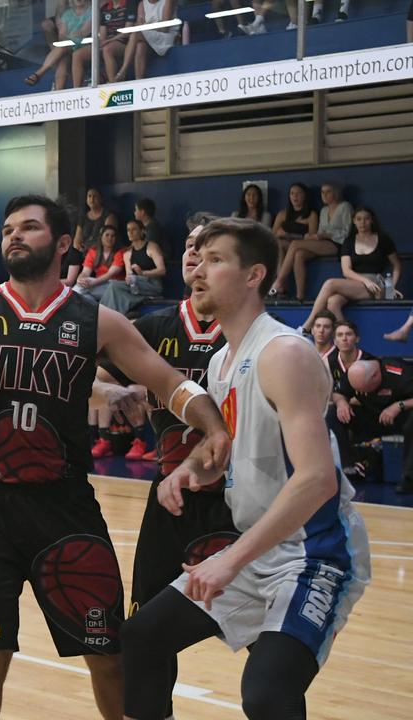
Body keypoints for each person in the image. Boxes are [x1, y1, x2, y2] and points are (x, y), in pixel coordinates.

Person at [0, 194, 231, 720]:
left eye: (30, 227)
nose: (14, 235)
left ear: (63, 243)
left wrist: (213, 425)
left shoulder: (98, 320)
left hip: (65, 507)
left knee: (109, 655)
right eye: (8, 228)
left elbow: (168, 381)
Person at [121, 217, 371, 720]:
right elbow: (231, 448)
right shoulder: (223, 362)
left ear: (255, 275)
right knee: (142, 638)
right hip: (257, 549)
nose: (199, 270)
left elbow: (317, 479)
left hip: (313, 556)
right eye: (199, 258)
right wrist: (190, 470)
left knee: (267, 695)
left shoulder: (283, 353)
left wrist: (229, 559)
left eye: (217, 261)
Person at [98, 220, 237, 641]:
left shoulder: (252, 336)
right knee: (143, 630)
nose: (195, 255)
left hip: (237, 499)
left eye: (210, 250)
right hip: (169, 497)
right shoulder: (152, 329)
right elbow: (89, 376)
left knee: (257, 639)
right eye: (191, 246)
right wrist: (112, 391)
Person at [300, 207, 401, 330]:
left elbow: (397, 265)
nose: (362, 222)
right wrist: (364, 281)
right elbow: (346, 271)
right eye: (359, 219)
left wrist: (392, 287)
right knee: (333, 302)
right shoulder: (349, 241)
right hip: (355, 282)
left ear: (372, 221)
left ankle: (307, 326)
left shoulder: (383, 239)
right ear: (354, 221)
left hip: (375, 283)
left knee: (330, 283)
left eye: (366, 219)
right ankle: (346, 334)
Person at [347, 358, 413, 493]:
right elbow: (340, 393)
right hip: (375, 413)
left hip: (403, 414)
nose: (362, 392)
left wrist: (399, 406)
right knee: (334, 413)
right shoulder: (356, 372)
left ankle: (409, 478)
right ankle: (347, 468)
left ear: (376, 376)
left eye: (364, 388)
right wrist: (341, 402)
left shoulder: (401, 374)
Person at [325, 321, 374, 480]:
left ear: (357, 339)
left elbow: (371, 396)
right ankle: (346, 466)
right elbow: (328, 392)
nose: (344, 339)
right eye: (340, 335)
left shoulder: (369, 361)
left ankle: (356, 462)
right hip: (342, 411)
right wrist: (341, 401)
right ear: (335, 341)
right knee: (330, 413)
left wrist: (344, 400)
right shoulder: (329, 362)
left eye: (348, 334)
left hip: (369, 411)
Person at [100, 218, 166, 315]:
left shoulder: (151, 247)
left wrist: (143, 273)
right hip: (135, 286)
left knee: (115, 286)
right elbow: (129, 275)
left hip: (152, 284)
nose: (130, 232)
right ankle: (105, 315)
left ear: (142, 231)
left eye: (134, 229)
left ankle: (104, 316)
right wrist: (129, 278)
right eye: (128, 230)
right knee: (113, 285)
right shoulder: (127, 253)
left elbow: (162, 270)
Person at [268, 182, 320, 301]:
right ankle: (282, 287)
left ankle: (281, 283)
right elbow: (272, 234)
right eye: (292, 194)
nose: (295, 196)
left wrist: (289, 235)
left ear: (305, 196)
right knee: (277, 244)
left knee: (296, 251)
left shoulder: (311, 215)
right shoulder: (283, 214)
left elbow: (311, 237)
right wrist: (279, 234)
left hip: (303, 246)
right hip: (284, 245)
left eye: (299, 193)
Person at [25, 0, 91, 90]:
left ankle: (39, 73)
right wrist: (71, 36)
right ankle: (59, 92)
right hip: (69, 45)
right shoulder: (68, 14)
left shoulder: (92, 12)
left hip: (84, 44)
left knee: (61, 51)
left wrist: (71, 35)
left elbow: (83, 32)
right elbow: (61, 35)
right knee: (62, 60)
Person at [114, 0, 177, 83]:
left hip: (165, 36)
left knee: (136, 34)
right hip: (148, 35)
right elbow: (139, 24)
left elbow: (164, 27)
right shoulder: (142, 4)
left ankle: (123, 71)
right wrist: (147, 27)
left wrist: (146, 27)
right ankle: (139, 81)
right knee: (140, 45)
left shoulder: (167, 1)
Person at [74, 224, 125, 302]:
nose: (110, 238)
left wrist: (93, 282)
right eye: (107, 235)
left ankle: (68, 300)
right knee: (86, 297)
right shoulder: (93, 252)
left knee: (80, 290)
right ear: (101, 237)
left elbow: (110, 275)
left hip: (114, 287)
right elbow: (85, 272)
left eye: (113, 236)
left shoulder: (119, 252)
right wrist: (80, 279)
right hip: (98, 286)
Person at [92, 0, 137, 83]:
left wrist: (109, 41)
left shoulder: (130, 3)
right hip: (109, 42)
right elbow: (102, 34)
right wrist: (102, 41)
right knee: (79, 54)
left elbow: (127, 31)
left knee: (107, 49)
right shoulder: (105, 8)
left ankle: (113, 82)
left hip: (125, 43)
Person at [73, 187, 118, 253]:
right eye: (89, 196)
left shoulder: (108, 216)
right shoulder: (83, 217)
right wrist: (79, 249)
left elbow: (107, 240)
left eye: (95, 196)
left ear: (100, 199)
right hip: (83, 252)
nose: (92, 199)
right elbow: (77, 239)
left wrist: (90, 251)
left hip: (99, 253)